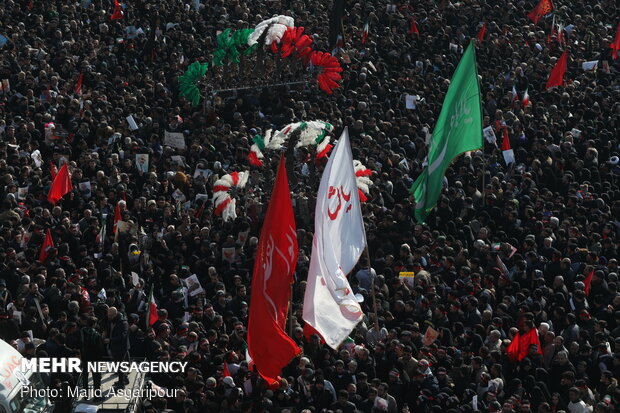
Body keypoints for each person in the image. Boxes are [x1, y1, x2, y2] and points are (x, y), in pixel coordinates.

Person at [106, 306, 129, 388]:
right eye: (108, 315)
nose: (109, 317)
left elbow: (123, 336)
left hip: (121, 347)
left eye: (111, 315)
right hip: (114, 347)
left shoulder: (123, 323)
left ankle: (121, 383)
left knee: (120, 365)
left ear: (116, 314)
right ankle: (123, 379)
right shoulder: (112, 321)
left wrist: (111, 340)